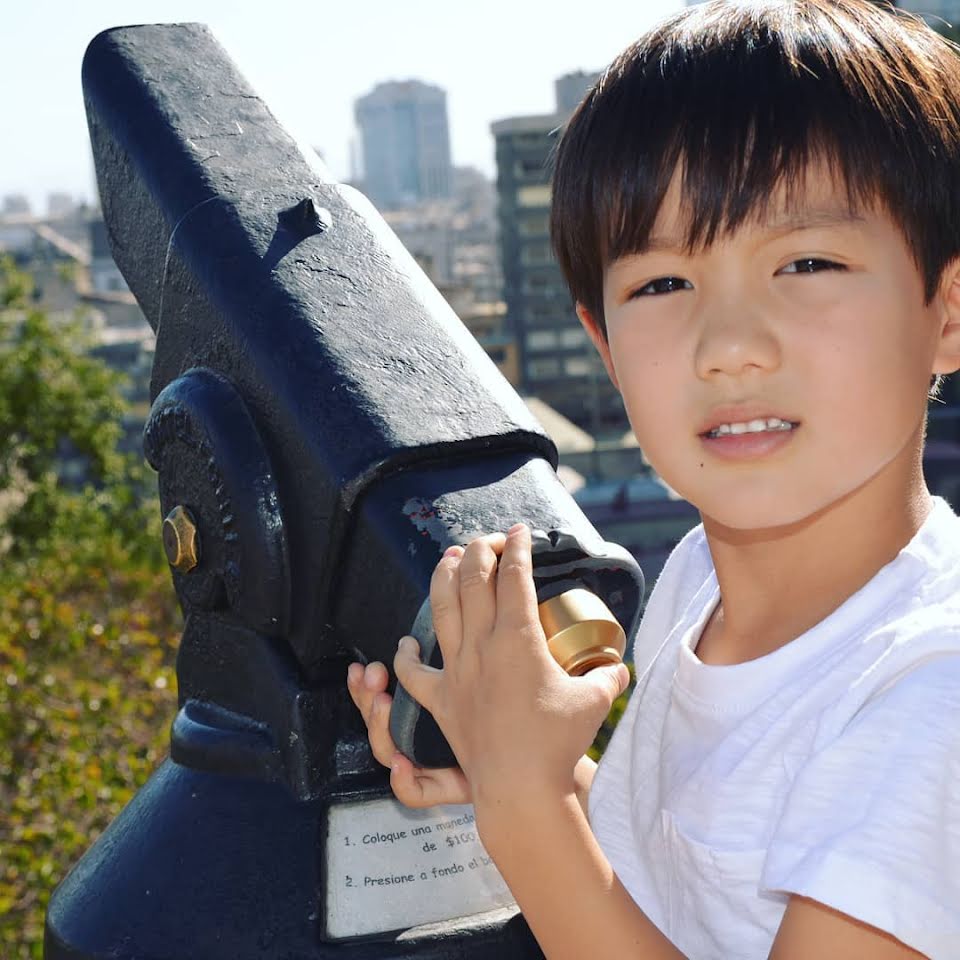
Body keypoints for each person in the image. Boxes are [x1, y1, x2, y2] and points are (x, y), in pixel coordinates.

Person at [348, 1, 960, 956]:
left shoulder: (934, 695)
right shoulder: (699, 580)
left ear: (948, 312)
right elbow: (694, 883)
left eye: (807, 262)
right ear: (606, 345)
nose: (729, 345)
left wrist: (527, 808)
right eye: (662, 285)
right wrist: (515, 763)